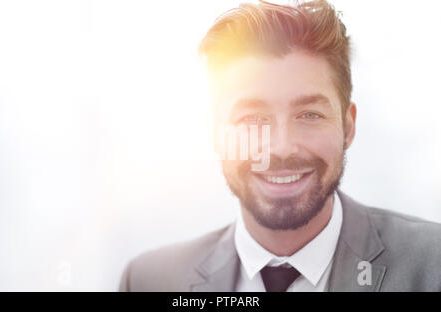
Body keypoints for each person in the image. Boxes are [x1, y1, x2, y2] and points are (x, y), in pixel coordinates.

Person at [119, 0, 441, 291]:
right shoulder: (150, 281)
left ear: (348, 126)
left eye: (309, 114)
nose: (282, 147)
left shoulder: (433, 266)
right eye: (252, 119)